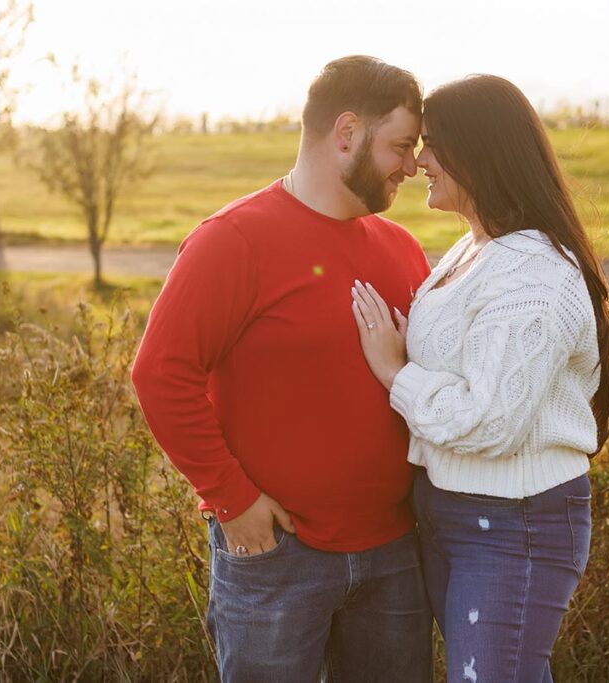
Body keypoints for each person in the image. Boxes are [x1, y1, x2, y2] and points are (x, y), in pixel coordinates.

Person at [131, 56, 433, 682]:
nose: (410, 166)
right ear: (346, 133)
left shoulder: (401, 248)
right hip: (278, 559)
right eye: (400, 146)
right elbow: (160, 373)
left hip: (394, 553)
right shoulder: (232, 240)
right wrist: (233, 501)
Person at [350, 74, 609, 683]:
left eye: (435, 144)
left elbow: (491, 420)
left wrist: (397, 373)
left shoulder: (533, 272)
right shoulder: (475, 249)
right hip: (455, 509)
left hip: (512, 521)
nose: (420, 160)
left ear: (481, 152)